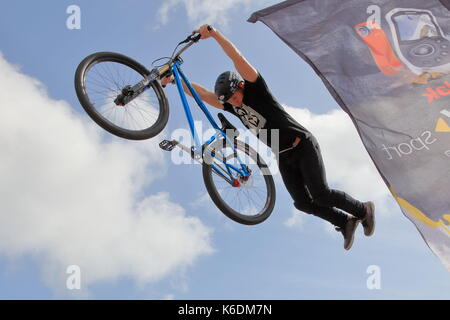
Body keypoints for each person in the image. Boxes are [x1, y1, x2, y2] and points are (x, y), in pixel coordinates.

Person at [161, 24, 375, 250]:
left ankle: (363, 210)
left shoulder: (256, 89)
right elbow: (203, 94)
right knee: (302, 203)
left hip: (302, 145)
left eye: (235, 96)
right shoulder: (233, 107)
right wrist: (174, 80)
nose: (234, 102)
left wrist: (214, 35)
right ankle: (344, 221)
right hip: (283, 156)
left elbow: (237, 57)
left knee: (320, 194)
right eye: (229, 100)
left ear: (240, 86)